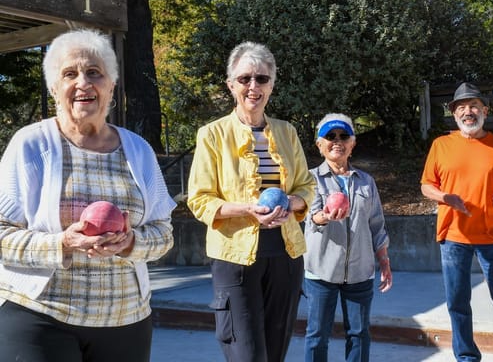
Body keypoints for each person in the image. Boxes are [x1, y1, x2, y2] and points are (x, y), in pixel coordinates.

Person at [0, 29, 176, 361]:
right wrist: (62, 243)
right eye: (70, 74)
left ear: (111, 85)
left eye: (94, 73)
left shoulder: (138, 150)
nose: (83, 82)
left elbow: (164, 234)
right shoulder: (30, 145)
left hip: (126, 322)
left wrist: (131, 243)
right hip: (40, 318)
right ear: (54, 87)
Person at [186, 41, 315, 362]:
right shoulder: (212, 134)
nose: (253, 86)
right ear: (231, 85)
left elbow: (307, 186)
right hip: (235, 257)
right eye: (245, 79)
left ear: (272, 85)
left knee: (274, 352)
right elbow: (200, 199)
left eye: (262, 78)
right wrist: (248, 210)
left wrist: (291, 202)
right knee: (247, 355)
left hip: (286, 252)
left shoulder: (287, 132)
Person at [420, 82, 493, 362]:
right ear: (454, 114)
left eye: (474, 106)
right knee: (457, 303)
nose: (468, 111)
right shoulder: (441, 145)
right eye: (462, 107)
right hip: (454, 236)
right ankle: (466, 357)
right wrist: (445, 197)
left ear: (485, 111)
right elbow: (426, 186)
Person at [304, 113, 392, 362]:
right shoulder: (309, 179)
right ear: (320, 145)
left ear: (352, 144)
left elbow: (376, 224)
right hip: (321, 271)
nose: (337, 141)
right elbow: (310, 217)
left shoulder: (366, 181)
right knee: (317, 335)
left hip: (360, 272)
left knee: (359, 334)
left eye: (344, 136)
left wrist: (384, 261)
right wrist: (324, 216)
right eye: (330, 136)